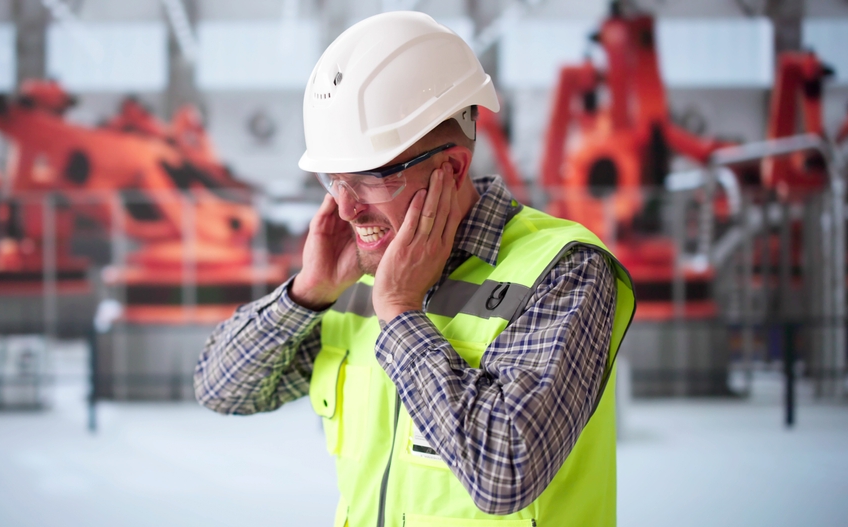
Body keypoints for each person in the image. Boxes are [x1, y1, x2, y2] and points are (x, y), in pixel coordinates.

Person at [195, 11, 636, 527]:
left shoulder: (562, 271)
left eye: (368, 179)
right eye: (334, 180)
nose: (345, 209)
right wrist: (307, 293)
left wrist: (402, 314)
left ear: (451, 168)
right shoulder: (352, 283)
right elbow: (221, 388)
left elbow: (507, 471)